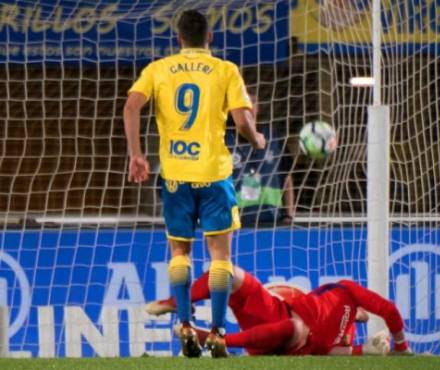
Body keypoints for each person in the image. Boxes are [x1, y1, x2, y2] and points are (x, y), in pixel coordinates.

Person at [123, 9, 265, 358]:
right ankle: (216, 333)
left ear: (179, 39)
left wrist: (136, 154)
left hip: (175, 176)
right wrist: (256, 138)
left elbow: (131, 106)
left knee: (179, 252)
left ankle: (185, 325)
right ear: (210, 38)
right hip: (214, 174)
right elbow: (241, 121)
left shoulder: (158, 69)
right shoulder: (225, 70)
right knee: (220, 257)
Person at [145, 266, 411, 357]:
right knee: (227, 272)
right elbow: (388, 309)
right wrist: (402, 345)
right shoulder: (346, 290)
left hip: (283, 338)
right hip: (276, 309)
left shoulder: (348, 338)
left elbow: (326, 351)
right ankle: (178, 302)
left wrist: (365, 350)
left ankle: (211, 338)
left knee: (295, 328)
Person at [225, 92, 295, 225]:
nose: (249, 107)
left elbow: (287, 178)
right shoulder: (224, 140)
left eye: (252, 103)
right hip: (234, 220)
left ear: (258, 107)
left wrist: (289, 214)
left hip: (272, 220)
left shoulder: (274, 138)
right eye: (243, 103)